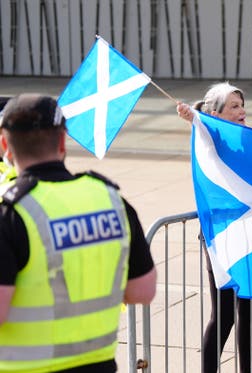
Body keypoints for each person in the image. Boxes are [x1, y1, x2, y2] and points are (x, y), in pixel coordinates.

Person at [0, 94, 157, 372]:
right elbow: (142, 291)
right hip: (99, 364)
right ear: (62, 141)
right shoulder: (110, 199)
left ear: (5, 146)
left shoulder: (11, 212)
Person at [177, 82, 252, 373]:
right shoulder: (209, 136)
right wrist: (195, 119)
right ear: (216, 114)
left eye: (242, 105)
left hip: (249, 232)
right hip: (221, 235)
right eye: (234, 106)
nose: (242, 111)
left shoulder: (248, 138)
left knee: (249, 309)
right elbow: (203, 131)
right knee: (224, 313)